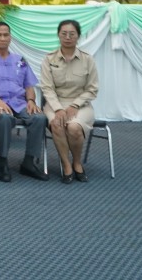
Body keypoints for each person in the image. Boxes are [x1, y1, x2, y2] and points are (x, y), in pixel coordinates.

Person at [0, 22, 49, 182]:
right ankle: (3, 163)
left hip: (19, 102)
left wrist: (31, 100)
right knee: (4, 118)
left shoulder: (20, 60)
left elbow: (29, 85)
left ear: (10, 37)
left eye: (6, 35)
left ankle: (29, 162)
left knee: (39, 118)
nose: (3, 38)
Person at [40, 19, 99, 184]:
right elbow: (47, 88)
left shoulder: (88, 59)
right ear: (58, 35)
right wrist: (58, 109)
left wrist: (75, 105)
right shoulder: (49, 59)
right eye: (64, 33)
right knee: (57, 124)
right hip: (55, 104)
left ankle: (77, 163)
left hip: (81, 104)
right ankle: (66, 165)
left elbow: (92, 89)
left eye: (72, 34)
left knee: (74, 128)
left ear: (78, 36)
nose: (67, 37)